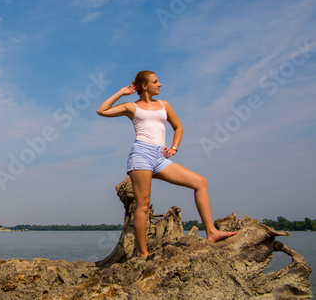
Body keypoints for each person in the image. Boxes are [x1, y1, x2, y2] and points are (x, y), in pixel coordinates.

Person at [96, 70, 237, 259]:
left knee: (200, 182)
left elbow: (178, 127)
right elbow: (101, 110)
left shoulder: (165, 105)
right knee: (143, 206)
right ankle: (143, 254)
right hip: (141, 155)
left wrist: (174, 148)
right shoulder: (132, 107)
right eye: (156, 81)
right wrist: (121, 93)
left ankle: (211, 232)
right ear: (145, 86)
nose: (160, 84)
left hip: (160, 157)